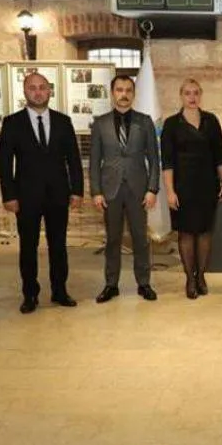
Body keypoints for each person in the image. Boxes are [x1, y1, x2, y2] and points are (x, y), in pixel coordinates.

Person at [0, 72, 84, 314]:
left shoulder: (63, 121)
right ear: (25, 92)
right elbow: (4, 163)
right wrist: (9, 195)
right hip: (26, 197)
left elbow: (73, 159)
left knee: (58, 246)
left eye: (42, 87)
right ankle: (30, 294)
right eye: (32, 88)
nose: (38, 92)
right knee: (28, 247)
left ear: (49, 91)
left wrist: (77, 190)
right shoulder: (12, 123)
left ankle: (60, 290)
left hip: (58, 195)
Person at [89, 74, 160, 303]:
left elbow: (154, 159)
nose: (124, 94)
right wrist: (96, 191)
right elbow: (94, 161)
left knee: (140, 239)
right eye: (119, 90)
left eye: (128, 90)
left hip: (138, 190)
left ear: (134, 94)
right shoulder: (100, 123)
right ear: (112, 93)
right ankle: (111, 284)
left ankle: (144, 283)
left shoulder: (144, 122)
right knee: (112, 240)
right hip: (110, 190)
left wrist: (152, 189)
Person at [160, 79, 222, 299]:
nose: (192, 97)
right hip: (182, 188)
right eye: (188, 93)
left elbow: (220, 156)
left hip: (208, 185)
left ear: (201, 95)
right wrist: (170, 191)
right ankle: (190, 278)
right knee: (187, 233)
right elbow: (167, 161)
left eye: (196, 93)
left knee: (205, 232)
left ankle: (201, 276)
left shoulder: (211, 121)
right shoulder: (171, 124)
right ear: (181, 96)